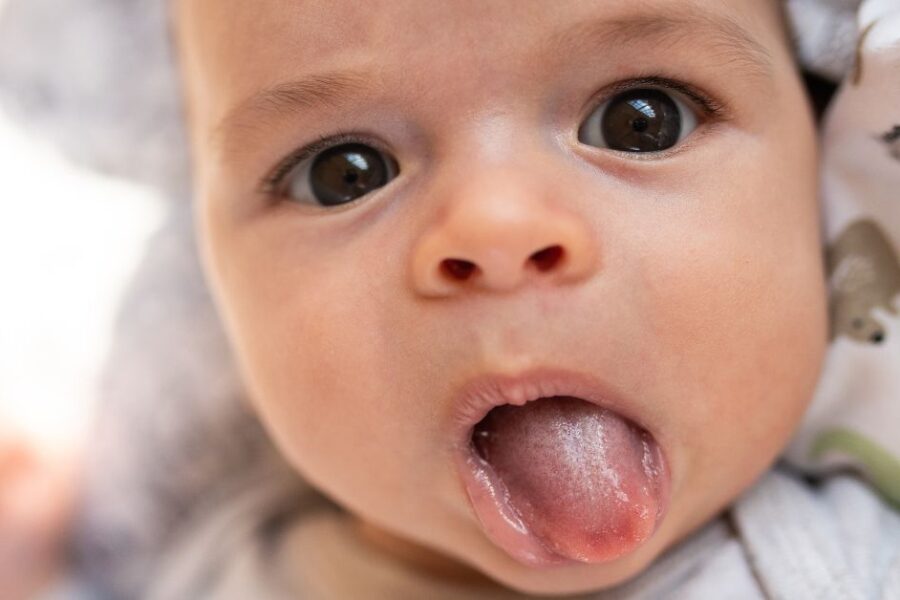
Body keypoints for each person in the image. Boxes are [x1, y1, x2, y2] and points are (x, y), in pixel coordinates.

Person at [5, 0, 898, 598]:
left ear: (820, 171)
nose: (494, 230)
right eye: (342, 174)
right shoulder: (196, 566)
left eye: (641, 118)